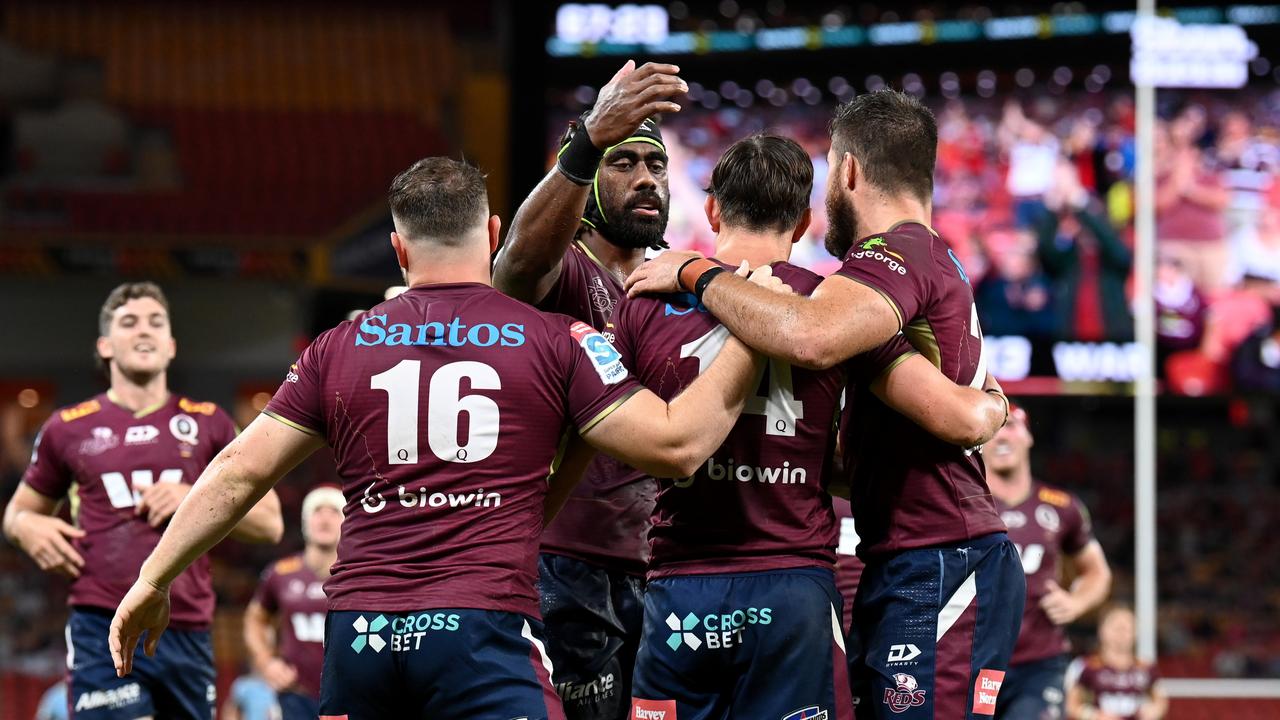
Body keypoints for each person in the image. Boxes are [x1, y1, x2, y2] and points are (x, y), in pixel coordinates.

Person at [108, 157, 764, 720]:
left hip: (360, 639)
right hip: (483, 634)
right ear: (493, 232)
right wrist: (750, 339)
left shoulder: (336, 347)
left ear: (398, 248)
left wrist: (152, 579)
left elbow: (236, 472)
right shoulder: (555, 339)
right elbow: (677, 445)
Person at [627, 89, 1025, 719]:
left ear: (848, 171)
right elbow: (952, 414)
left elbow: (809, 336)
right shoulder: (875, 276)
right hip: (857, 570)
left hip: (932, 557)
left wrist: (696, 274)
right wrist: (991, 408)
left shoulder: (879, 264)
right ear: (801, 221)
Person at [493, 59, 685, 719]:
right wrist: (588, 142)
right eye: (622, 162)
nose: (644, 179)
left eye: (654, 166)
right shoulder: (565, 271)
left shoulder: (689, 282)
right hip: (569, 566)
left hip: (670, 565)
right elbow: (515, 267)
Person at [2, 281, 283, 720]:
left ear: (171, 345)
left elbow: (271, 524)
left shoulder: (208, 422)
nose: (144, 331)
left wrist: (193, 497)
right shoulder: (67, 428)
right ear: (105, 345)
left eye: (156, 323)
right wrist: (24, 527)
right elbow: (17, 514)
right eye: (128, 323)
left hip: (187, 624)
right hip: (101, 622)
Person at [987, 405, 1112, 720]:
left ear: (1029, 437)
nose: (1002, 435)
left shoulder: (1062, 507)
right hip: (971, 659)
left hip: (1038, 663)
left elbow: (1097, 571)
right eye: (993, 428)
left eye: (1012, 425)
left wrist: (1077, 602)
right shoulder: (958, 504)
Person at [244, 486, 343, 719]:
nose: (325, 518)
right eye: (318, 511)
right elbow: (255, 618)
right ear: (305, 520)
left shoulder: (362, 574)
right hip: (296, 695)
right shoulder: (280, 573)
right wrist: (266, 662)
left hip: (350, 694)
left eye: (334, 512)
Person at [1065, 606, 1167, 720]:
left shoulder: (1146, 667)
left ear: (1136, 633)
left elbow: (1160, 701)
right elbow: (1070, 705)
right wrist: (1093, 715)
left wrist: (1153, 711)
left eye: (1128, 627)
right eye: (1116, 627)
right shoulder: (1084, 666)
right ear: (1102, 630)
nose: (1122, 632)